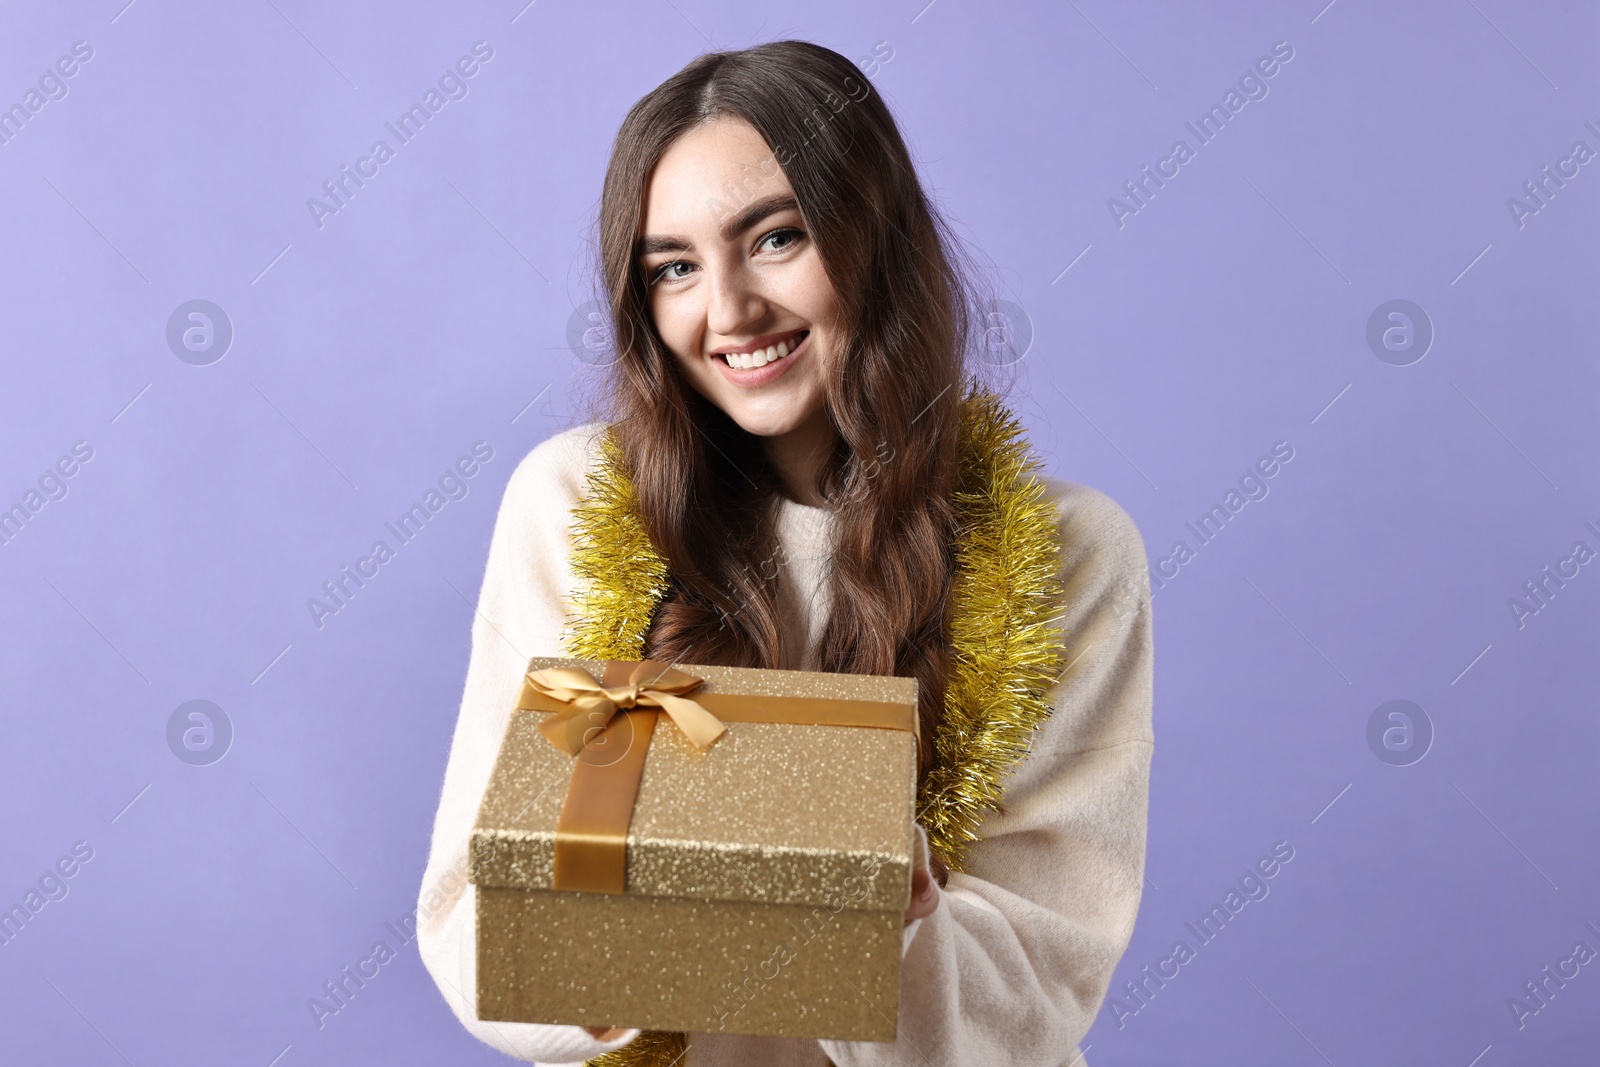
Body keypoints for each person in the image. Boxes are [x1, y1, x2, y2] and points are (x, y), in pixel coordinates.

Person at [416, 39, 1154, 1067]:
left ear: (874, 237)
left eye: (774, 238)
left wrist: (893, 915)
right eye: (672, 266)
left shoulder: (1071, 553)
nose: (727, 312)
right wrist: (812, 864)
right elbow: (475, 921)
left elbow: (1034, 1000)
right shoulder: (574, 501)